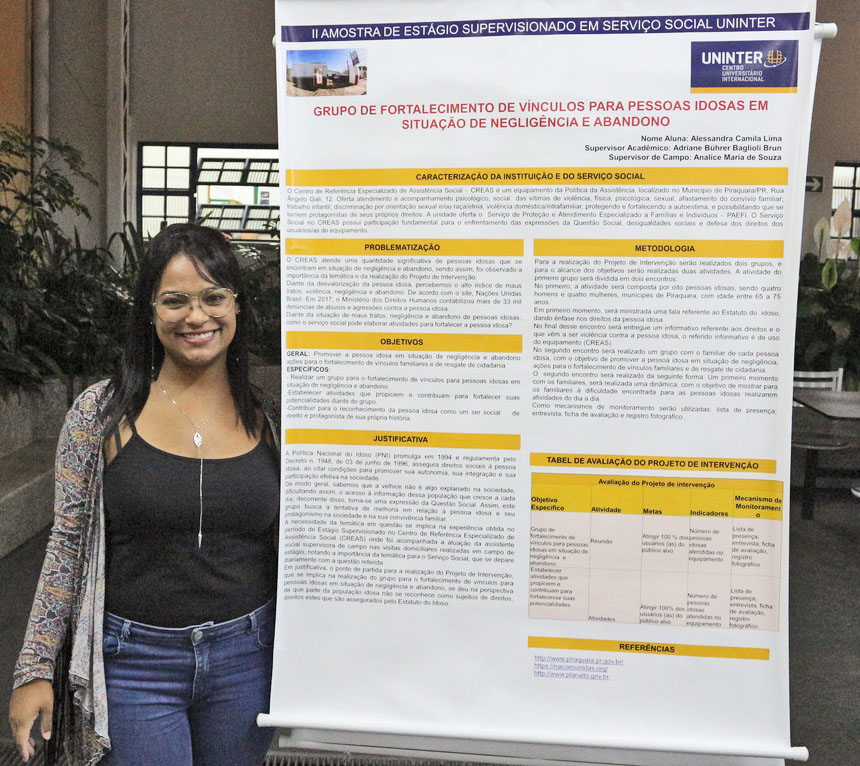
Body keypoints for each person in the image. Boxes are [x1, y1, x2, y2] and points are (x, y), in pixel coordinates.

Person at [8, 223, 280, 765]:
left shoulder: (270, 417)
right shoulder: (101, 413)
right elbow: (66, 547)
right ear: (150, 311)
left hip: (248, 658)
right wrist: (34, 668)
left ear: (236, 306)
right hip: (133, 664)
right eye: (175, 300)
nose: (196, 316)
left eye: (214, 297)